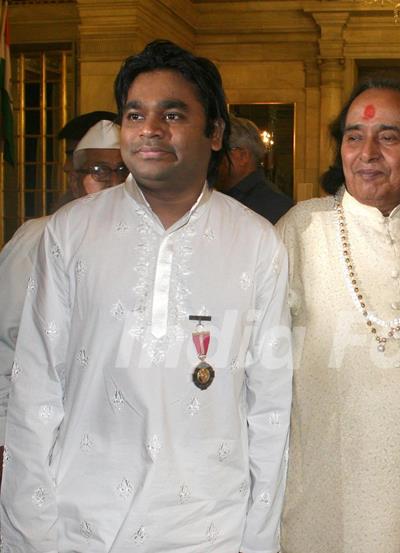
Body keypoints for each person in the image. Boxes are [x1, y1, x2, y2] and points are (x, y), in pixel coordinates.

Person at [0, 40, 292, 553]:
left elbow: (268, 407)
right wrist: (29, 531)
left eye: (173, 114)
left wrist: (258, 538)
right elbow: (35, 391)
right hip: (82, 525)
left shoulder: (256, 242)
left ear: (216, 133)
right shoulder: (71, 232)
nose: (149, 129)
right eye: (136, 114)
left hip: (209, 528)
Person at [277, 75, 400, 553]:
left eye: (388, 137)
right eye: (353, 136)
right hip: (334, 485)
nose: (367, 153)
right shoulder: (301, 229)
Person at [0, 118, 122, 478]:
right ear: (74, 177)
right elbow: (6, 339)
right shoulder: (37, 238)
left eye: (123, 171)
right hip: (42, 434)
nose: (113, 181)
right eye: (99, 171)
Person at [216, 115, 292, 224]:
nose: (210, 161)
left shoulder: (274, 205)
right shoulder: (219, 197)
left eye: (217, 153)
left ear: (243, 156)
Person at [70, 119, 128, 197]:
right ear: (75, 182)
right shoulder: (68, 210)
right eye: (100, 170)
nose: (115, 183)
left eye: (122, 170)